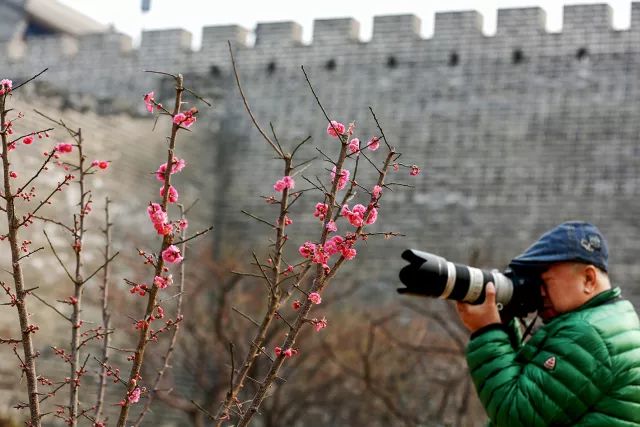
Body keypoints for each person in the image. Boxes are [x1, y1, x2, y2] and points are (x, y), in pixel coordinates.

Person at [455, 221, 640, 426]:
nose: (540, 292)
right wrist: (504, 324)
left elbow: (517, 417)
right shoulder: (614, 317)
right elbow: (536, 391)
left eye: (546, 282)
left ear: (588, 279)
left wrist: (487, 331)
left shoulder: (586, 334)